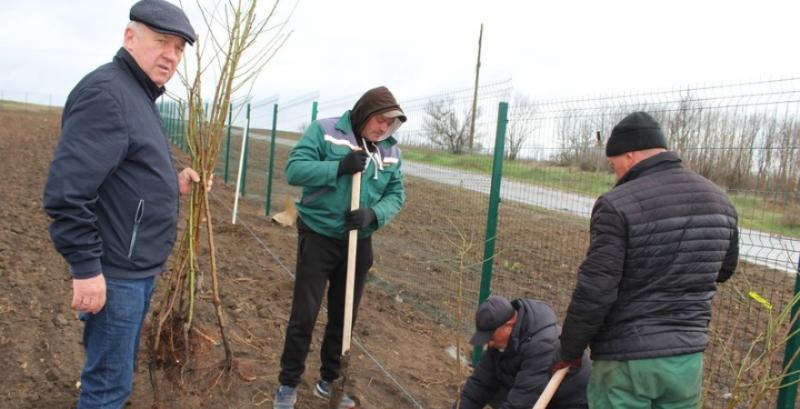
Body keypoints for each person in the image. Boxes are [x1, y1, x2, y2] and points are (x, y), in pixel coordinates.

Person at [42, 1, 203, 407]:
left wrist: (173, 180)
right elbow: (67, 192)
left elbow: (126, 168)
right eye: (162, 41)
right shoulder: (108, 94)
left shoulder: (138, 93)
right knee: (107, 388)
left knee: (115, 376)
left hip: (137, 269)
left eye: (179, 48)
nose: (171, 54)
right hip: (115, 275)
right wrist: (86, 268)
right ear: (130, 38)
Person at [553, 112, 739, 408]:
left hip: (626, 361)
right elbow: (725, 270)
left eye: (614, 164)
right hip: (685, 360)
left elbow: (596, 289)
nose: (615, 173)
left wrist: (569, 350)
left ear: (629, 155)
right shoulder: (720, 199)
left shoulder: (617, 203)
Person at [273, 86, 407, 409]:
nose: (383, 129)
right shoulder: (326, 131)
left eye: (389, 124)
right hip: (318, 237)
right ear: (363, 113)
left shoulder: (390, 151)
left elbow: (396, 194)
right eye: (379, 121)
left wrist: (374, 214)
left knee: (344, 317)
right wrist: (338, 168)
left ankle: (329, 381)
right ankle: (288, 384)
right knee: (304, 315)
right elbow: (294, 170)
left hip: (358, 242)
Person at [455, 295, 590, 409]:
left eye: (491, 336)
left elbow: (520, 403)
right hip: (537, 394)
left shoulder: (543, 345)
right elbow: (479, 384)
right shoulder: (501, 342)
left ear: (509, 324)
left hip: (572, 403)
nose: (489, 343)